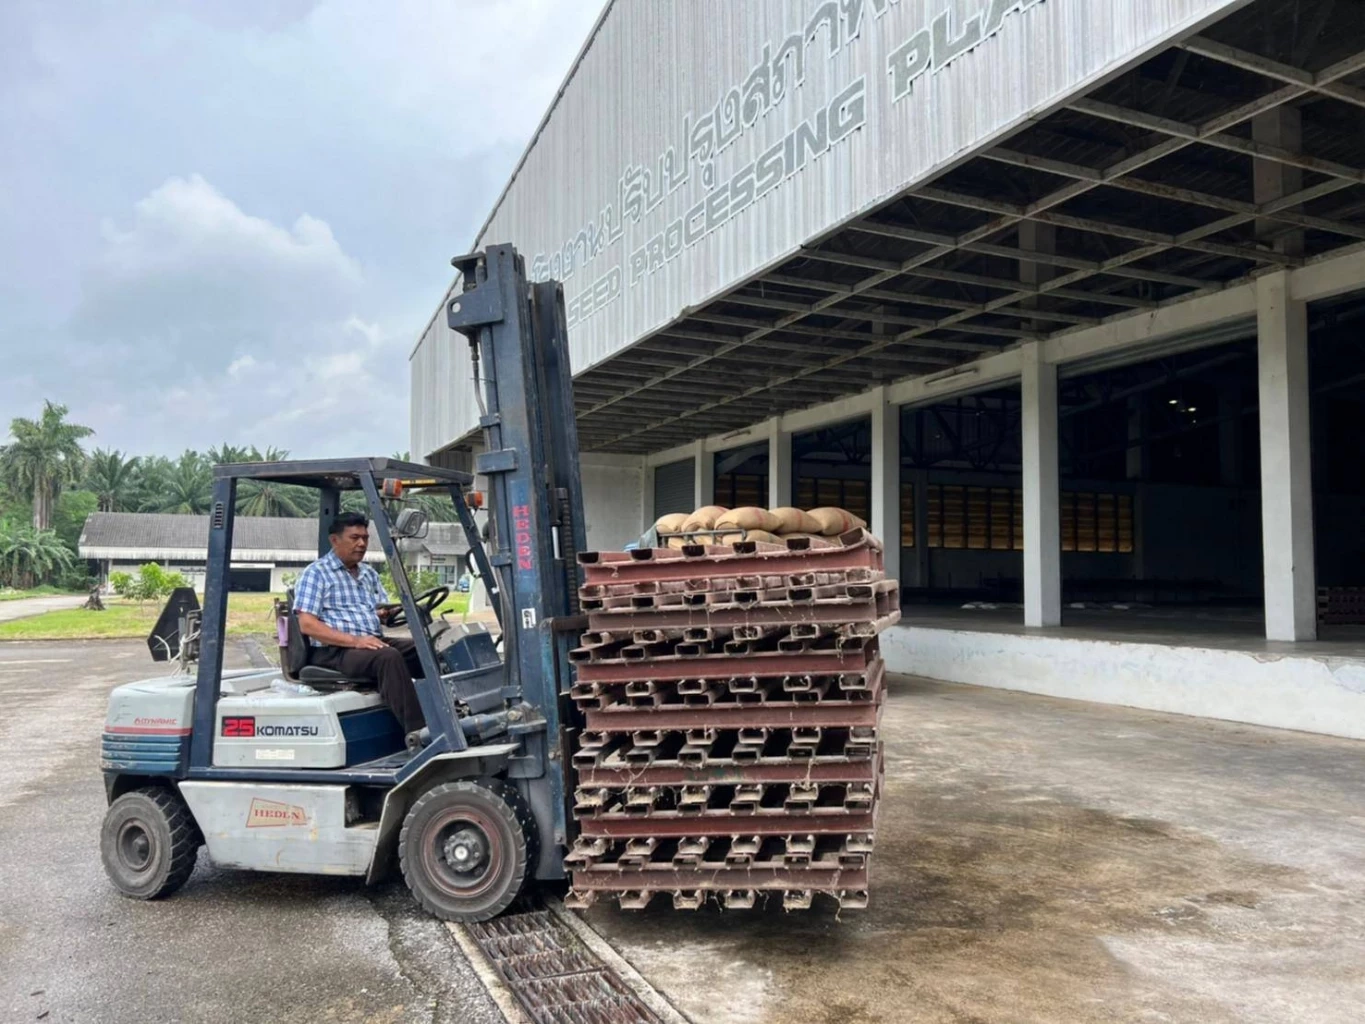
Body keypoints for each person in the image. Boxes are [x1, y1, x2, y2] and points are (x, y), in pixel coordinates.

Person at [293, 512, 426, 734]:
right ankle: (420, 733)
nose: (362, 544)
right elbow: (307, 625)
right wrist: (355, 641)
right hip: (334, 650)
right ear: (335, 540)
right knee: (388, 656)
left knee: (425, 649)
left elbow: (378, 608)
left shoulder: (368, 574)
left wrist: (385, 613)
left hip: (368, 642)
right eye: (354, 538)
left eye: (365, 538)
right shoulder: (316, 573)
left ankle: (451, 710)